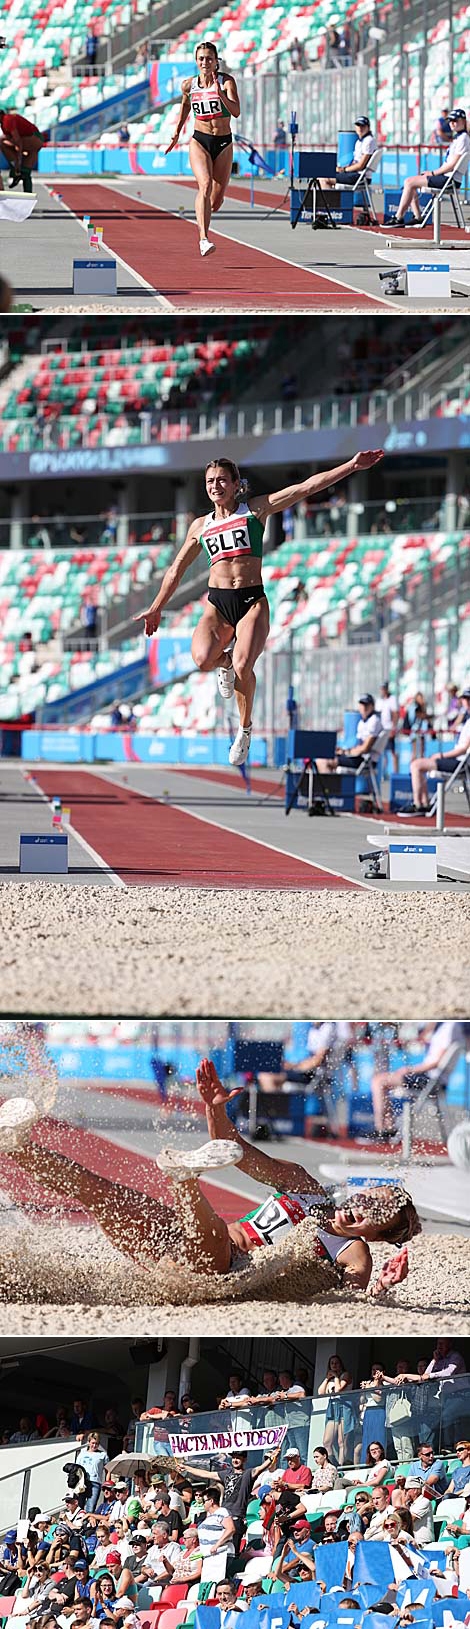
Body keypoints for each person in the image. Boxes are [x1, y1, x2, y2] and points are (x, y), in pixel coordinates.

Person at [4, 1063, 419, 1299]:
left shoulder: (354, 1253)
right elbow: (231, 1147)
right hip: (181, 1248)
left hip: (226, 1272)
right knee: (103, 1194)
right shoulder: (304, 1186)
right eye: (368, 1198)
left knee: (219, 1236)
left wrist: (381, 1284)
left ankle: (186, 1181)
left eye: (374, 1215)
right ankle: (15, 1146)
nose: (361, 1208)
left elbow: (350, 1302)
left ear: (380, 1234)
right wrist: (214, 1108)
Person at [138, 449, 384, 768]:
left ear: (236, 483)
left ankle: (244, 729)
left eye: (222, 480)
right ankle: (223, 664)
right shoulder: (200, 526)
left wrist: (351, 466)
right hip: (218, 602)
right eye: (210, 481)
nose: (216, 486)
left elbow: (306, 487)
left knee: (244, 665)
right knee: (201, 659)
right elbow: (175, 570)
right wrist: (157, 607)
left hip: (251, 600)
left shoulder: (255, 510)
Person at [165, 42, 239, 257]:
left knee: (215, 202)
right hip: (200, 140)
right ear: (196, 61)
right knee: (204, 185)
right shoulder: (189, 85)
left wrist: (220, 95)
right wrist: (177, 133)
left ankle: (206, 213)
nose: (205, 62)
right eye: (201, 59)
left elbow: (236, 111)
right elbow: (185, 107)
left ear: (216, 61)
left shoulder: (227, 82)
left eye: (209, 58)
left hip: (223, 142)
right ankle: (203, 239)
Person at [370, 1020, 465, 1138]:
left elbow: (436, 1062)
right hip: (432, 1078)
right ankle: (387, 1126)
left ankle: (380, 1128)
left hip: (431, 1080)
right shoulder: (443, 1027)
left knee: (378, 1081)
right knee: (380, 1081)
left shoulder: (449, 1027)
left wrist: (410, 1069)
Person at [388, 109, 470, 225]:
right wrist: (432, 173)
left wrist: (432, 173)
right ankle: (417, 217)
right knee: (410, 182)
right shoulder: (459, 138)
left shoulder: (463, 139)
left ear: (463, 121)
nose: (452, 123)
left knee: (409, 182)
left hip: (449, 180)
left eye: (455, 121)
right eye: (450, 121)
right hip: (448, 178)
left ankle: (399, 217)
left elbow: (452, 165)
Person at [403, 690, 470, 812]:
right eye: (465, 699)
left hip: (462, 764)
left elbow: (464, 749)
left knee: (416, 765)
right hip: (458, 761)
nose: (467, 702)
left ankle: (418, 804)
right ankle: (423, 803)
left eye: (469, 699)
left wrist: (441, 755)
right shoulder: (467, 719)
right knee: (418, 765)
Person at [318, 694, 383, 775]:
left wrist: (348, 752)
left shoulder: (374, 721)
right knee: (325, 757)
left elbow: (365, 748)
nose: (364, 708)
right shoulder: (363, 722)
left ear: (372, 706)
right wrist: (344, 751)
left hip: (363, 761)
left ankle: (328, 787)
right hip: (359, 758)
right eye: (362, 705)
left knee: (323, 761)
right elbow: (359, 746)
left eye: (367, 705)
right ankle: (330, 786)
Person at [320, 116, 378, 191]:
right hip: (355, 174)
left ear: (368, 127)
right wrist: (342, 169)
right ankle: (331, 200)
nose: (360, 128)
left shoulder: (368, 141)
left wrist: (344, 170)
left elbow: (361, 165)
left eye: (363, 126)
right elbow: (356, 163)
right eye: (358, 125)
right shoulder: (360, 141)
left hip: (359, 177)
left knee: (324, 179)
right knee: (325, 174)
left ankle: (330, 202)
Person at [0, 108, 45, 191]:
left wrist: (18, 160)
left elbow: (18, 141)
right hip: (33, 142)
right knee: (26, 173)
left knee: (2, 143)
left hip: (34, 138)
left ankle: (15, 168)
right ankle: (28, 197)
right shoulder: (4, 123)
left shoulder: (7, 120)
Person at [380, 682, 399, 774]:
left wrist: (393, 728)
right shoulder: (380, 701)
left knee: (392, 752)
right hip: (382, 730)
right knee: (381, 752)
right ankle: (383, 772)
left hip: (389, 729)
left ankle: (395, 772)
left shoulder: (392, 699)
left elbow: (395, 714)